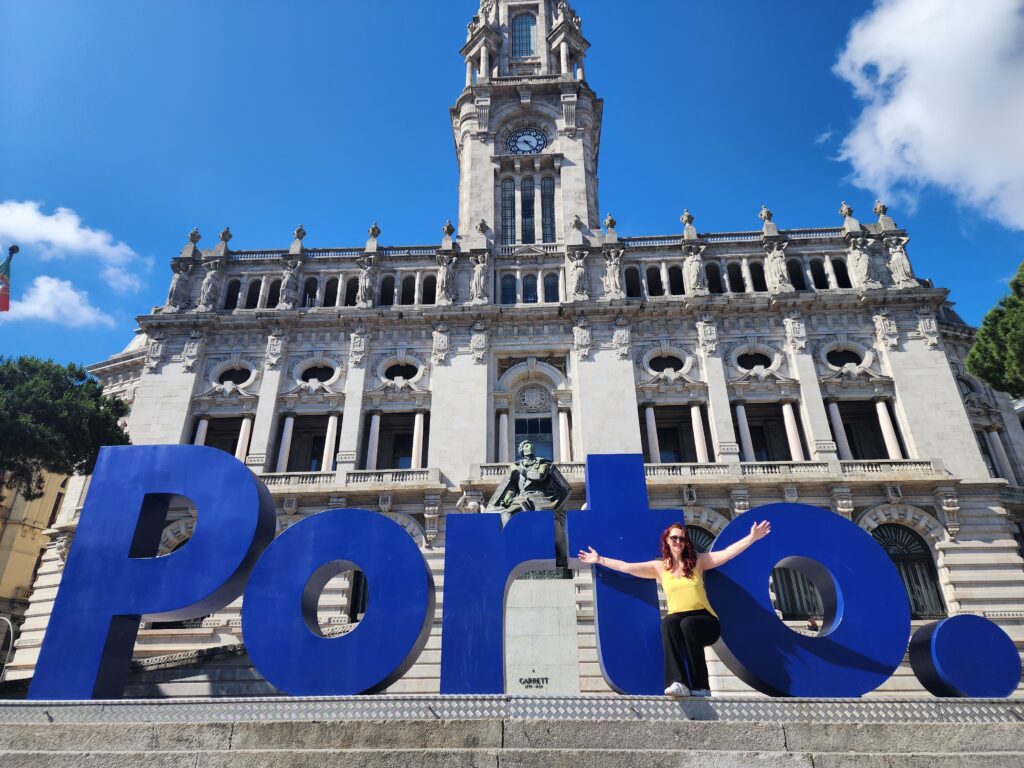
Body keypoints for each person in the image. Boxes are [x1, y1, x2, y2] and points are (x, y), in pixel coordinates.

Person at [578, 520, 771, 697]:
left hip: (706, 621)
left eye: (682, 538)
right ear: (667, 541)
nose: (678, 541)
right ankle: (678, 683)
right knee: (668, 623)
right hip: (678, 620)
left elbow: (727, 554)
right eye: (674, 538)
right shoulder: (660, 568)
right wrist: (599, 559)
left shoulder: (697, 562)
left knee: (688, 625)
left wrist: (752, 537)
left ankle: (701, 687)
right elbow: (627, 567)